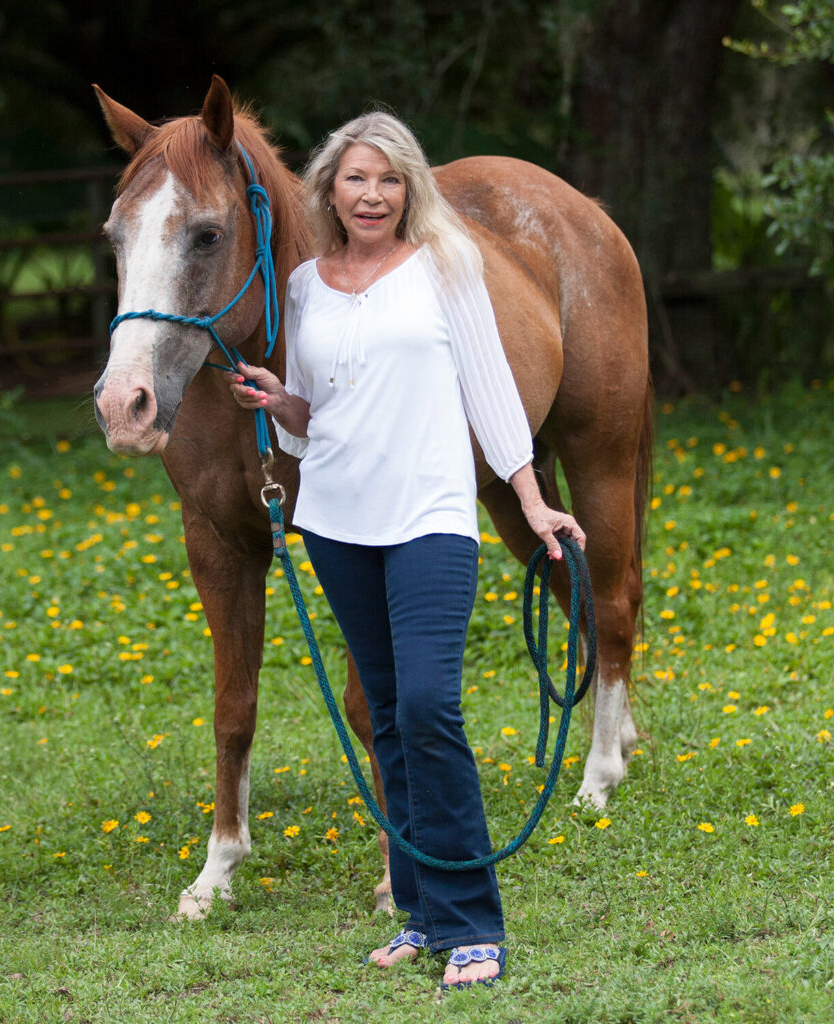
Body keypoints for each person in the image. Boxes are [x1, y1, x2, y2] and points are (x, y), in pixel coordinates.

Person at [230, 111, 585, 990]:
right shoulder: (308, 285)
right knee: (386, 718)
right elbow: (318, 417)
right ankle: (424, 918)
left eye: (389, 179)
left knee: (428, 710)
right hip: (339, 523)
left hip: (429, 517)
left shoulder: (446, 268)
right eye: (357, 178)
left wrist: (534, 502)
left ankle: (475, 925)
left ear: (410, 188)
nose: (373, 194)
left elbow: (491, 389)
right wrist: (281, 403)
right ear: (329, 189)